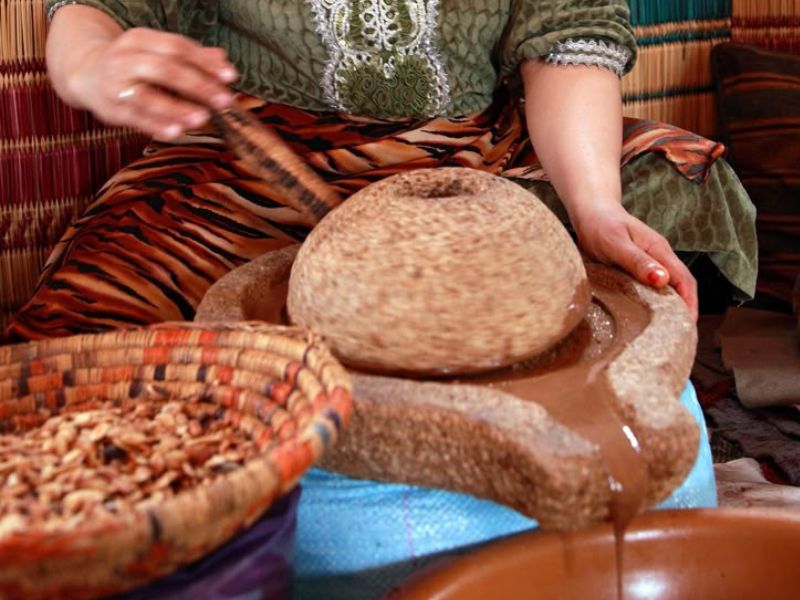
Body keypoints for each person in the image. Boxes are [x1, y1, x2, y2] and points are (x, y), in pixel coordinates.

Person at [8, 1, 755, 598]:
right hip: (254, 159)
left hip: (477, 162)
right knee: (98, 336)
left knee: (667, 177)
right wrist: (95, 60)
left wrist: (594, 207)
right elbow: (94, 11)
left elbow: (565, 38)